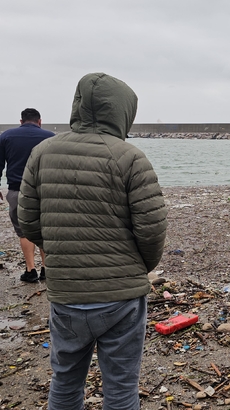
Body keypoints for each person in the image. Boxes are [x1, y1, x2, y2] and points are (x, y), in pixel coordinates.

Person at [18, 73, 168, 410]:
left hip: (67, 294)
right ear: (123, 111)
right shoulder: (130, 157)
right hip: (122, 297)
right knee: (121, 388)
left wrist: (61, 249)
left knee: (66, 381)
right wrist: (138, 267)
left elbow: (28, 221)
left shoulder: (42, 153)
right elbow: (152, 228)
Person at [0, 108, 54, 282]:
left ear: (21, 121)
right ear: (40, 121)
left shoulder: (6, 136)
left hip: (17, 189)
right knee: (45, 229)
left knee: (23, 232)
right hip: (44, 190)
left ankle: (31, 270)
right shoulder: (50, 137)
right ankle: (47, 269)